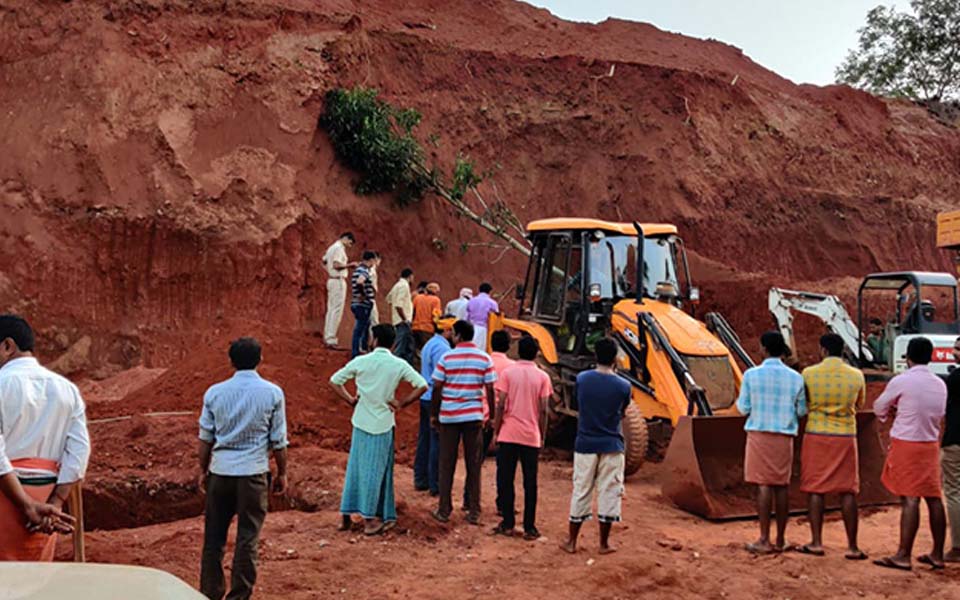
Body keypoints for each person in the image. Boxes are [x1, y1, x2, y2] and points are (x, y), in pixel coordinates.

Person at [198, 337, 288, 600]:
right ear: (260, 359)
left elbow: (206, 438)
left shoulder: (214, 392)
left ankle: (210, 593)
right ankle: (239, 595)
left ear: (230, 361)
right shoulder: (272, 392)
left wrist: (202, 470)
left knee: (213, 538)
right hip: (253, 473)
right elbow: (278, 440)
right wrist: (282, 472)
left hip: (220, 471)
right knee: (247, 538)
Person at [0, 314, 90, 562]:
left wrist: (25, 505)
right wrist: (56, 502)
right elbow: (78, 452)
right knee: (35, 582)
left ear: (7, 346)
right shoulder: (67, 390)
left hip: (8, 496)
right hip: (46, 502)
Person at [331, 325, 427, 535]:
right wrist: (402, 403)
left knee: (355, 468)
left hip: (361, 420)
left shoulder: (362, 361)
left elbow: (335, 380)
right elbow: (422, 385)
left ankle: (346, 516)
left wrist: (349, 399)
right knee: (377, 471)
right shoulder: (397, 364)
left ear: (373, 340)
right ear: (393, 343)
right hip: (382, 423)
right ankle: (370, 520)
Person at [873, 337, 948, 571]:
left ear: (908, 357)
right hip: (930, 443)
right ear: (931, 356)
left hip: (907, 442)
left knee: (909, 498)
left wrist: (890, 414)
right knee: (933, 497)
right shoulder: (939, 383)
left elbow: (879, 407)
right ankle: (937, 553)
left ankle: (903, 554)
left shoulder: (902, 380)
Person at [736, 331, 806, 555]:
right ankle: (781, 539)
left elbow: (743, 408)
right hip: (784, 436)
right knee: (781, 486)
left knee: (763, 485)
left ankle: (764, 539)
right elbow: (802, 410)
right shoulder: (796, 378)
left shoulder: (751, 375)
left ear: (763, 349)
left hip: (759, 434)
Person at [798, 333, 867, 559]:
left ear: (823, 350)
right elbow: (860, 403)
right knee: (848, 490)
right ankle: (853, 546)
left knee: (816, 488)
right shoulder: (856, 376)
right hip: (846, 435)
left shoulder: (808, 374)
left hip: (816, 434)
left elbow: (804, 403)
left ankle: (816, 542)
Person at [560, 338, 630, 555]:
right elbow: (623, 412)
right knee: (610, 491)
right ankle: (604, 543)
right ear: (615, 358)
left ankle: (572, 541)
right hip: (612, 443)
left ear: (595, 355)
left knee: (581, 490)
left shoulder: (582, 379)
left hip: (585, 442)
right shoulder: (623, 386)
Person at [430, 320, 497, 525]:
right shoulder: (484, 358)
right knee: (473, 464)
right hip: (474, 417)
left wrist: (434, 414)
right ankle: (474, 510)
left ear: (458, 335)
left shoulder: (447, 357)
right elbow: (490, 389)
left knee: (446, 463)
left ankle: (444, 509)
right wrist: (491, 416)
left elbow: (437, 387)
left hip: (449, 416)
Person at [493, 336, 552, 540]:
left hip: (509, 433)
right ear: (536, 353)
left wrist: (496, 429)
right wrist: (542, 435)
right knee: (530, 482)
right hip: (531, 435)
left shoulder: (508, 373)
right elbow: (544, 410)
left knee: (505, 479)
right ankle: (529, 526)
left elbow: (500, 404)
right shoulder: (543, 377)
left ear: (518, 352)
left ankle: (508, 522)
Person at [0, 433, 75, 539]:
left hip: (7, 485)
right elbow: (79, 450)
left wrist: (28, 505)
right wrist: (56, 502)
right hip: (48, 488)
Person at [414, 321, 453, 494]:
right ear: (446, 330)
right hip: (434, 398)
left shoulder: (431, 343)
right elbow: (441, 380)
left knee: (425, 438)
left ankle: (421, 478)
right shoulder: (443, 350)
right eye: (452, 330)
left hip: (425, 396)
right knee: (437, 440)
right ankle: (434, 483)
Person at [322, 232, 356, 350]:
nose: (349, 245)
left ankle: (327, 337)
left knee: (331, 309)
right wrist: (349, 265)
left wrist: (328, 270)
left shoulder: (331, 247)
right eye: (350, 242)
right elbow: (336, 265)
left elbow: (324, 261)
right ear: (346, 238)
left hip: (331, 279)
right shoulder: (339, 248)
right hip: (338, 280)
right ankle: (331, 338)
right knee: (336, 310)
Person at [943, 336, 960, 563]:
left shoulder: (955, 378)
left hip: (956, 439)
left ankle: (957, 547)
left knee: (954, 492)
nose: (954, 352)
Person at [350, 250, 378, 358]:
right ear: (371, 260)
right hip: (362, 304)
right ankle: (356, 351)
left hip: (358, 303)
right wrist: (364, 295)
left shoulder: (358, 270)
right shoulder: (364, 271)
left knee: (364, 326)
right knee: (360, 328)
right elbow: (360, 282)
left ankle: (362, 348)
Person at [385, 268, 416, 365]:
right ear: (410, 276)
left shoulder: (397, 285)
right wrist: (405, 319)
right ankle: (393, 367)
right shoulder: (404, 286)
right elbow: (398, 305)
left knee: (407, 345)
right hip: (403, 321)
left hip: (397, 320)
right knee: (400, 346)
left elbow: (389, 299)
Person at [466, 283, 499, 352]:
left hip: (471, 327)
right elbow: (497, 317)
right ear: (490, 292)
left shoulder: (471, 301)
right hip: (483, 329)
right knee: (480, 350)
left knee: (469, 348)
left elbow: (467, 316)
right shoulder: (492, 303)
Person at [412, 283, 442, 349]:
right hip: (428, 329)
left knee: (416, 350)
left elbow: (412, 312)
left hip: (415, 328)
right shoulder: (436, 300)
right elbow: (436, 316)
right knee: (426, 349)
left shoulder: (417, 298)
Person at [368, 252, 382, 329]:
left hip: (368, 298)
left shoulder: (369, 269)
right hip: (370, 298)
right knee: (374, 322)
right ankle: (374, 340)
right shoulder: (372, 270)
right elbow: (371, 284)